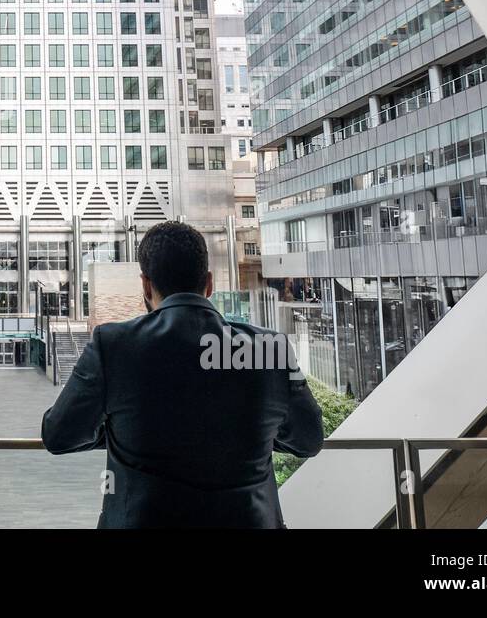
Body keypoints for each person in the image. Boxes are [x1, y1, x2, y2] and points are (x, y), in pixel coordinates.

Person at [41, 220, 323, 528]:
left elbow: (58, 434)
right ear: (210, 283)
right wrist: (252, 433)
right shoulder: (270, 350)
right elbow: (309, 440)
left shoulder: (113, 345)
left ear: (146, 286)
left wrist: (120, 430)